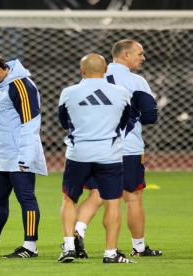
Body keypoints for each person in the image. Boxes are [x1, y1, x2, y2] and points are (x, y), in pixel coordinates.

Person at [74, 39, 162, 258]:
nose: (143, 57)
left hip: (96, 145)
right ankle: (139, 247)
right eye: (139, 53)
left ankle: (74, 236)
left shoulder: (94, 77)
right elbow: (151, 116)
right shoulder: (136, 81)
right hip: (128, 147)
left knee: (97, 195)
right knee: (132, 197)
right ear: (125, 55)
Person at [57, 53, 133, 263]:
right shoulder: (122, 93)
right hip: (109, 155)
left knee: (70, 199)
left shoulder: (69, 93)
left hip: (78, 154)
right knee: (112, 203)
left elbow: (64, 122)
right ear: (106, 70)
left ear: (82, 71)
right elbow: (124, 122)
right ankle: (110, 253)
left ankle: (68, 247)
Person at [0, 53, 47, 258]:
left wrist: (26, 156)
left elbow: (31, 124)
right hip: (1, 156)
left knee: (26, 199)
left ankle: (30, 247)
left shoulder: (21, 86)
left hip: (19, 156)